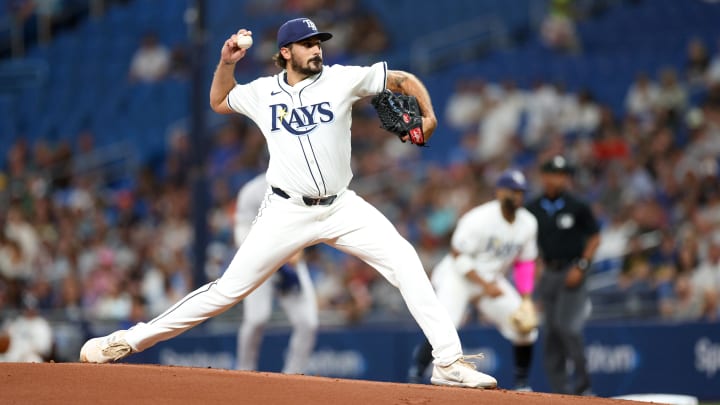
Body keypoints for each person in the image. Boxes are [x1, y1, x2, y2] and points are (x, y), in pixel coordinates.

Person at [79, 17, 497, 389]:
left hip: (341, 207)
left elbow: (401, 79)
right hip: (286, 210)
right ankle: (126, 340)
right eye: (308, 43)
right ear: (286, 52)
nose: (318, 48)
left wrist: (428, 114)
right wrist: (227, 62)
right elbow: (220, 102)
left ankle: (448, 362)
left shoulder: (340, 79)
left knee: (406, 262)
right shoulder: (262, 92)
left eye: (320, 42)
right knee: (227, 290)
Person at [408, 169, 539, 390]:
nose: (515, 196)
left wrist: (526, 298)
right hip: (458, 277)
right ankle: (415, 375)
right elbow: (458, 255)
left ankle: (522, 383)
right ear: (499, 192)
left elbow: (525, 263)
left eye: (520, 192)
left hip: (492, 281)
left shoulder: (528, 223)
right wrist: (485, 285)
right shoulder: (479, 218)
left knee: (525, 326)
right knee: (444, 325)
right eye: (511, 191)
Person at [525, 155, 600, 395]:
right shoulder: (533, 209)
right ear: (545, 176)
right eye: (556, 174)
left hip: (572, 270)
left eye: (564, 175)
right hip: (548, 272)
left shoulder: (577, 206)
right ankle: (561, 392)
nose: (561, 179)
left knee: (568, 327)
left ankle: (584, 385)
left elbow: (595, 237)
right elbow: (528, 244)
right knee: (551, 333)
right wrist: (534, 274)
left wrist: (582, 265)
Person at [234, 173, 318, 374]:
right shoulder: (252, 190)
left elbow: (310, 224)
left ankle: (294, 374)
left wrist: (297, 251)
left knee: (308, 322)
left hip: (289, 263)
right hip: (259, 264)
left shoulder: (302, 185)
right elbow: (241, 232)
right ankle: (244, 371)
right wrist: (266, 256)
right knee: (256, 319)